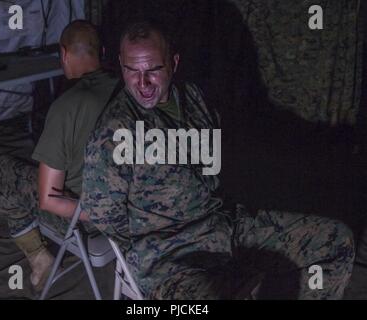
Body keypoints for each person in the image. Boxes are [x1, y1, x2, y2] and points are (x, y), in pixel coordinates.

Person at [80, 20, 355, 299]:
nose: (143, 83)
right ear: (120, 65)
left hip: (226, 228)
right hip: (172, 259)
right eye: (132, 71)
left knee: (333, 241)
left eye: (153, 69)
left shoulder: (193, 97)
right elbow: (103, 214)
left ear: (173, 63)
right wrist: (152, 238)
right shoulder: (115, 131)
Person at [0, 20, 119, 292]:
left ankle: (40, 258)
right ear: (103, 51)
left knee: (3, 170)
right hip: (130, 206)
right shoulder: (128, 87)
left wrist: (99, 212)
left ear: (63, 53)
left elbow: (49, 199)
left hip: (91, 221)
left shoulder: (67, 106)